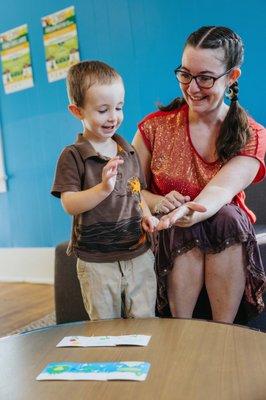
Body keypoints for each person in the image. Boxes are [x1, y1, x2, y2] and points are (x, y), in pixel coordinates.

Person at [133, 26, 266, 324]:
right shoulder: (152, 129)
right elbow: (130, 190)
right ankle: (181, 330)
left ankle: (222, 331)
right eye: (185, 74)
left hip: (223, 231)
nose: (192, 88)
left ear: (232, 77)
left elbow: (218, 193)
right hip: (165, 233)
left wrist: (187, 212)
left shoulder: (252, 134)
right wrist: (157, 203)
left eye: (205, 78)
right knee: (182, 225)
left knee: (226, 216)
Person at [51, 60, 159, 321]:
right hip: (96, 261)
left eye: (119, 107)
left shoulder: (128, 151)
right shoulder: (73, 156)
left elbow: (136, 192)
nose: (113, 117)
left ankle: (145, 362)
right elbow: (69, 204)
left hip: (138, 254)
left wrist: (147, 215)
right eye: (102, 110)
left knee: (145, 320)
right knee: (104, 326)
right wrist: (102, 189)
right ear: (77, 111)